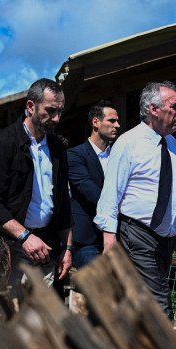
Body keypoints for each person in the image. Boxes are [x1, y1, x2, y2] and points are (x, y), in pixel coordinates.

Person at [94, 81, 176, 320]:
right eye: (174, 107)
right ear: (153, 109)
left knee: (144, 302)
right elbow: (111, 193)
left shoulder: (172, 143)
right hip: (138, 234)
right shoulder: (129, 143)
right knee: (159, 304)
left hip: (165, 239)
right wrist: (109, 238)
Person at [0, 78, 73, 302]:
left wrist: (67, 249)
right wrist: (26, 237)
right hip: (7, 248)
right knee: (6, 321)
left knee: (45, 324)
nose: (56, 118)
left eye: (60, 111)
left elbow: (63, 204)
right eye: (50, 110)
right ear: (30, 106)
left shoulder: (57, 147)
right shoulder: (1, 144)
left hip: (47, 249)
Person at [67, 100, 120, 268]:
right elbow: (89, 191)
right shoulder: (75, 155)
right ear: (95, 122)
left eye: (117, 121)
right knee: (96, 291)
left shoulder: (121, 155)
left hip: (120, 235)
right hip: (88, 239)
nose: (117, 125)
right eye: (111, 121)